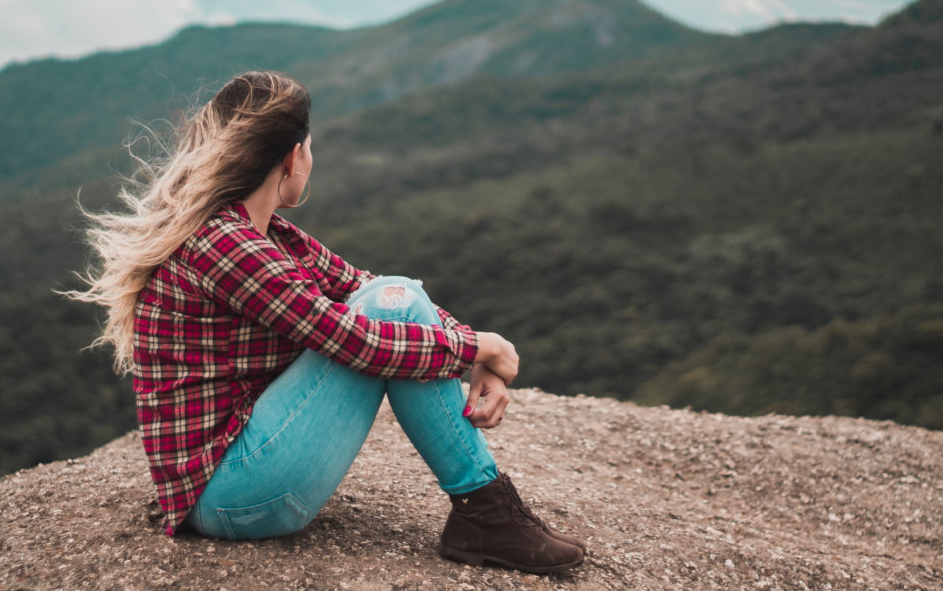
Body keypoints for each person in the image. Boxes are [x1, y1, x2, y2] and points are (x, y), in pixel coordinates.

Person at [70, 70, 585, 573]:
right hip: (230, 493)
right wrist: (477, 348)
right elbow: (352, 339)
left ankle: (486, 513)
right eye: (310, 148)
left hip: (242, 472)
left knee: (393, 293)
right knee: (388, 310)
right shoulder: (225, 244)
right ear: (293, 156)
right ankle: (487, 513)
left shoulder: (265, 234)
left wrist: (474, 348)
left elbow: (370, 287)